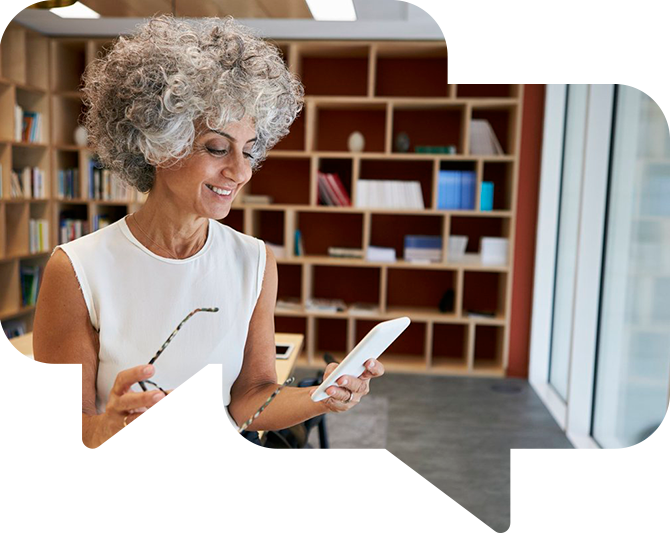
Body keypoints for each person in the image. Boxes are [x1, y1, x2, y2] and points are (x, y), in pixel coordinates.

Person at [32, 15, 384, 532]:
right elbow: (61, 426)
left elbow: (250, 398)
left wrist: (320, 397)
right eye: (217, 148)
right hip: (129, 508)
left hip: (241, 487)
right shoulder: (79, 268)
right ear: (156, 143)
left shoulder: (255, 261)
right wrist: (109, 430)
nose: (239, 172)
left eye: (249, 150)